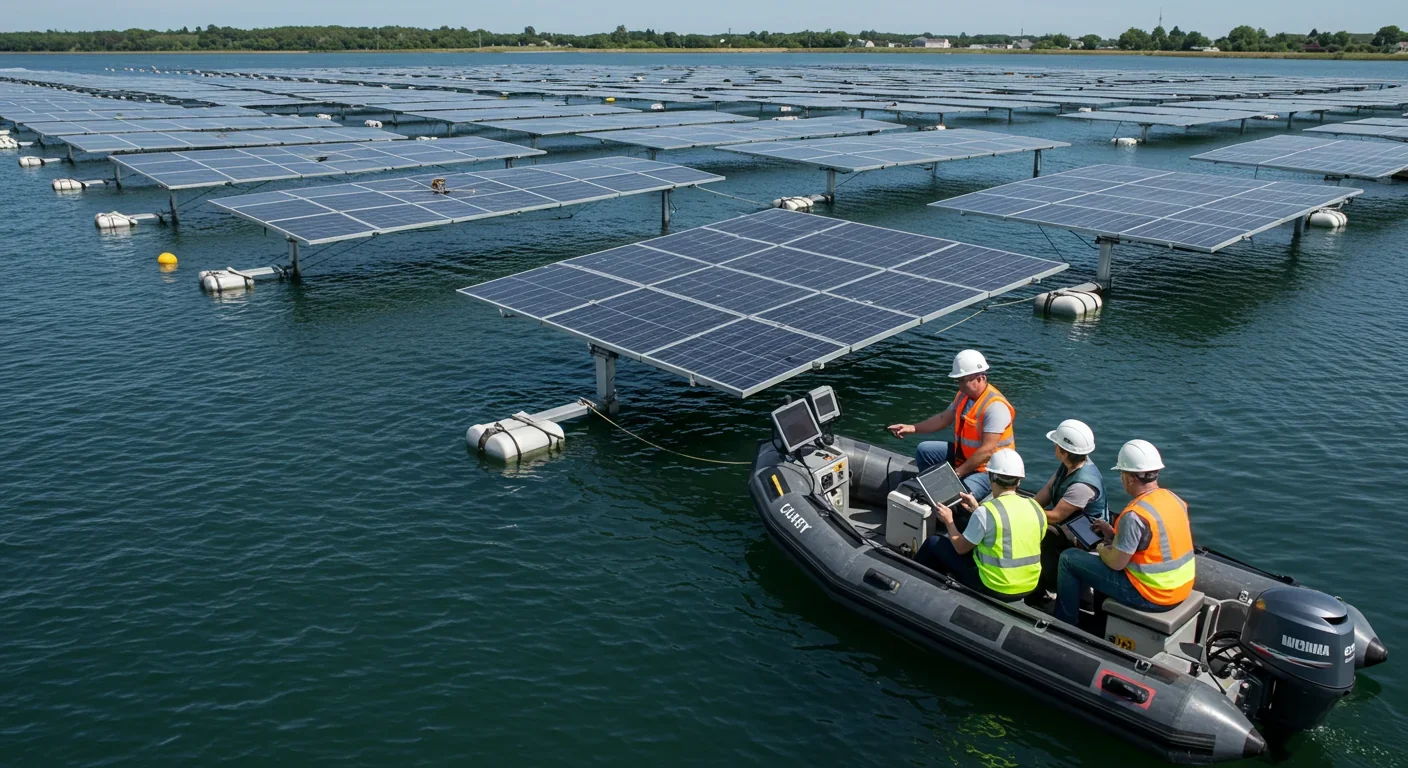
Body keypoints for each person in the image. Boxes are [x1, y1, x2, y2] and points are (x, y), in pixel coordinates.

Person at [1054, 440, 1196, 627]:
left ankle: (1064, 624)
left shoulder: (1135, 515)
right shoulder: (1173, 499)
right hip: (1179, 589)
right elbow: (1153, 542)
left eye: (1121, 473)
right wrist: (1113, 534)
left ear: (1130, 478)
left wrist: (1101, 547)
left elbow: (1116, 563)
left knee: (1068, 558)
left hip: (1151, 595)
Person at [915, 449, 1046, 603]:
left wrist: (948, 520)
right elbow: (1010, 531)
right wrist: (976, 508)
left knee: (933, 543)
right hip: (1029, 586)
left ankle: (914, 584)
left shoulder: (987, 512)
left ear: (991, 477)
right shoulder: (1036, 508)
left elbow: (960, 548)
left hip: (994, 586)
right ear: (1019, 481)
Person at [886, 349, 1015, 500]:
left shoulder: (995, 407)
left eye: (962, 380)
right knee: (924, 450)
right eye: (958, 380)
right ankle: (930, 493)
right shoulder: (963, 395)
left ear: (980, 378)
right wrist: (912, 428)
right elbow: (943, 418)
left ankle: (952, 504)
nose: (959, 385)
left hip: (988, 469)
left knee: (960, 497)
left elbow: (988, 450)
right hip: (965, 457)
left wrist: (957, 473)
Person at [1033, 419, 1107, 593]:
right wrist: (1029, 505)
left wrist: (1025, 512)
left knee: (1046, 535)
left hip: (1087, 534)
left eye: (1057, 444)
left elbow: (1056, 516)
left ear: (1065, 452)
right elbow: (1048, 489)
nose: (1054, 446)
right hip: (1072, 521)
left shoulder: (1082, 485)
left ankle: (1051, 584)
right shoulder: (1067, 466)